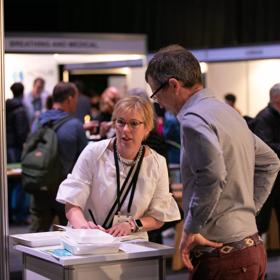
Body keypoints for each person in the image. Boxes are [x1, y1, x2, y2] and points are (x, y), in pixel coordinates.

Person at [145, 44, 280, 279]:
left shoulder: (192, 119)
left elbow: (213, 175)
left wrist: (191, 228)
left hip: (222, 256)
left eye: (156, 94)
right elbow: (271, 162)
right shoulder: (227, 112)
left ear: (174, 85)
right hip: (251, 249)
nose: (159, 103)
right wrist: (248, 209)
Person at [56, 95, 181, 239]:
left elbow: (159, 216)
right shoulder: (93, 153)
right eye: (121, 122)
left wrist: (132, 225)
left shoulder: (157, 163)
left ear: (147, 128)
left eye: (134, 123)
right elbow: (72, 202)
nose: (126, 129)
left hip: (131, 245)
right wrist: (84, 227)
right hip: (88, 241)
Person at [30, 82, 88, 232]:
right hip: (64, 190)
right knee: (66, 235)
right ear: (69, 99)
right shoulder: (75, 125)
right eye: (76, 98)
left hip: (39, 184)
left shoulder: (39, 121)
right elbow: (85, 159)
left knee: (36, 234)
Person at [254, 83, 280, 237]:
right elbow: (265, 148)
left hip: (277, 180)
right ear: (277, 98)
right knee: (260, 224)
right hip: (267, 180)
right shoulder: (264, 118)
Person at [6, 82, 30, 224]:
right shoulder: (20, 110)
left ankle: (8, 215)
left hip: (7, 150)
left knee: (8, 185)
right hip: (16, 150)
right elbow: (22, 133)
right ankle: (20, 215)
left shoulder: (5, 107)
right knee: (20, 183)